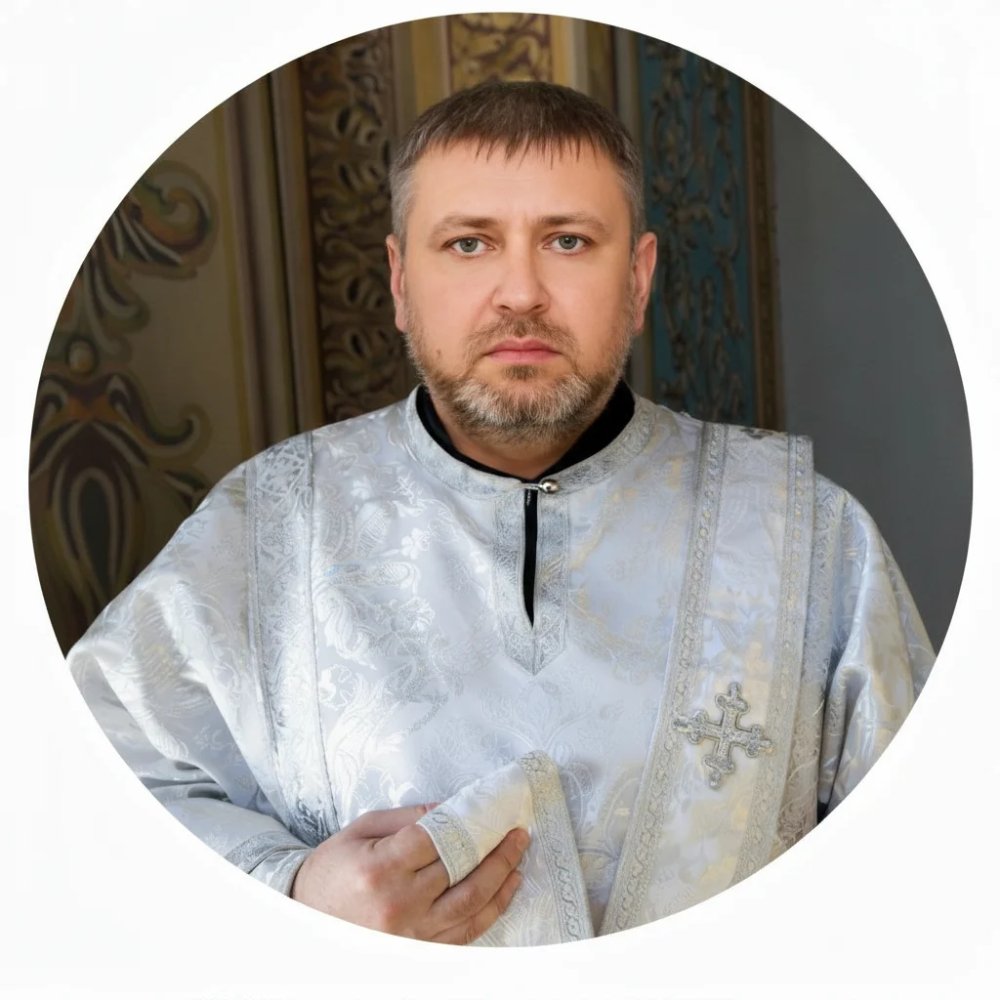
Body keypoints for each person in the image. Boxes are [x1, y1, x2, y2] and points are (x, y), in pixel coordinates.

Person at [67, 81, 934, 946]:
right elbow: (81, 782)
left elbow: (927, 872)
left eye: (568, 240)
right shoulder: (266, 525)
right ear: (401, 281)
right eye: (469, 243)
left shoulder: (810, 536)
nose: (521, 293)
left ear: (638, 279)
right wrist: (289, 889)